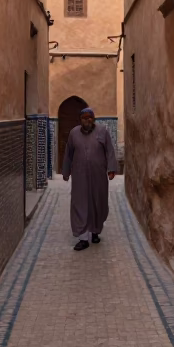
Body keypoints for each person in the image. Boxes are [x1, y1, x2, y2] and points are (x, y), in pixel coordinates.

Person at [62, 107, 119, 251]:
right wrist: (66, 171)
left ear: (93, 119)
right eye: (84, 118)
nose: (87, 120)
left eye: (89, 118)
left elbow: (110, 151)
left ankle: (95, 231)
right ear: (80, 120)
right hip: (79, 176)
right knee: (79, 203)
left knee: (98, 202)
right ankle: (83, 238)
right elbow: (68, 154)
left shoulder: (102, 131)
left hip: (98, 176)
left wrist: (111, 169)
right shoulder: (74, 133)